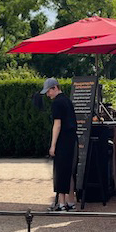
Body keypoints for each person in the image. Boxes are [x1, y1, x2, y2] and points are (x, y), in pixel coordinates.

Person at [42, 77, 77, 211]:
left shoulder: (57, 103)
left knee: (60, 171)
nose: (48, 94)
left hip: (63, 140)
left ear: (55, 88)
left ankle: (61, 203)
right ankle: (71, 201)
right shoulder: (67, 100)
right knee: (70, 171)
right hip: (72, 139)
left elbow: (57, 125)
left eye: (49, 91)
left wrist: (53, 145)